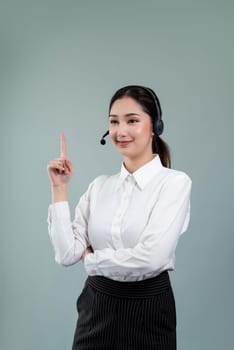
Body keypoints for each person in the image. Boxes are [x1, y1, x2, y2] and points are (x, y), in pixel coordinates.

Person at [47, 85, 192, 350]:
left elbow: (152, 258)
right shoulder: (99, 186)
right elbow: (66, 254)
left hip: (148, 310)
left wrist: (92, 261)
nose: (120, 131)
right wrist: (59, 189)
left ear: (155, 127)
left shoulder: (174, 184)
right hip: (96, 308)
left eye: (132, 121)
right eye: (114, 122)